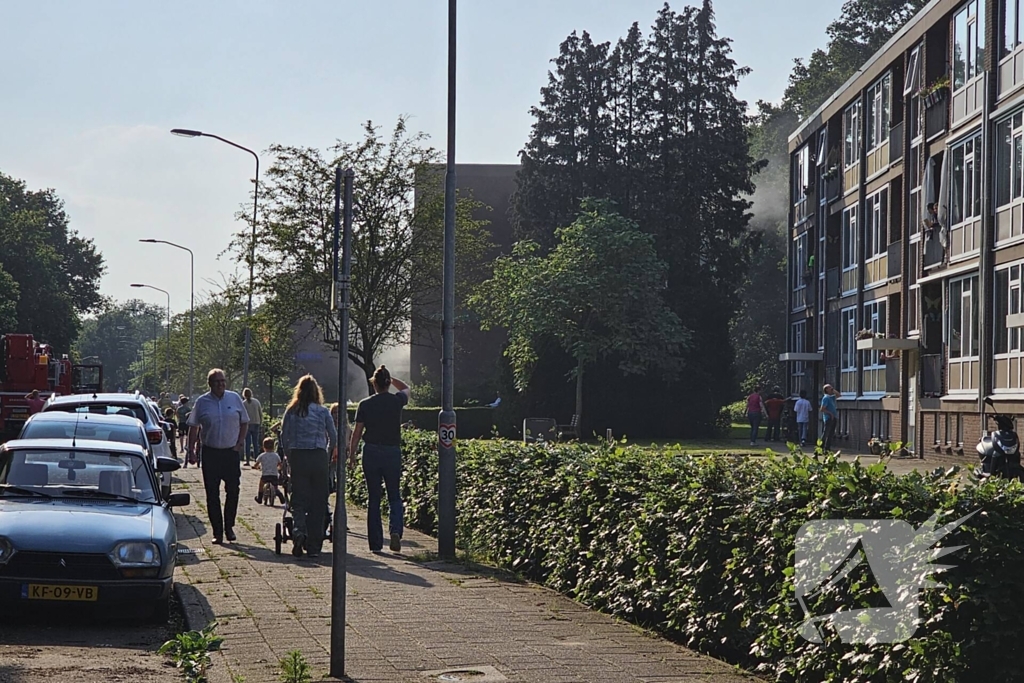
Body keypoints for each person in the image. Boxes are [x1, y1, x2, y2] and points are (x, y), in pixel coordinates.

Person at [349, 365, 410, 553]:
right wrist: (392, 380)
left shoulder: (365, 404)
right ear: (387, 383)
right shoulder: (397, 401)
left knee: (374, 497)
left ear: (374, 384)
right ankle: (395, 531)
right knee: (394, 495)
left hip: (372, 451)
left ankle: (376, 544)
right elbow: (407, 388)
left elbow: (357, 433)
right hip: (392, 451)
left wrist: (351, 455)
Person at [187, 369, 249, 545]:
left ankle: (229, 527)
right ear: (210, 384)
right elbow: (193, 426)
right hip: (211, 452)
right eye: (217, 382)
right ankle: (218, 531)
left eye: (223, 381)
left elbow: (244, 421)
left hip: (230, 452)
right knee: (212, 494)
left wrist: (239, 443)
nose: (221, 384)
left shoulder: (234, 398)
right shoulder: (202, 402)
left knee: (233, 491)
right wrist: (191, 450)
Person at [280, 375, 337, 559]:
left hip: (298, 456)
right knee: (318, 502)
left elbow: (284, 437)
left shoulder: (291, 411)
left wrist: (289, 457)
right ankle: (313, 546)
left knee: (298, 499)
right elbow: (333, 437)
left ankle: (298, 531)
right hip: (318, 456)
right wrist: (326, 456)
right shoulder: (323, 412)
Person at [253, 437, 284, 505]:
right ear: (273, 447)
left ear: (263, 447)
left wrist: (255, 467)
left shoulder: (262, 455)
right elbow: (280, 464)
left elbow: (256, 464)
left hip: (265, 475)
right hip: (274, 475)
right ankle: (281, 497)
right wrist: (279, 468)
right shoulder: (276, 455)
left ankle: (259, 498)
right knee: (275, 487)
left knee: (261, 485)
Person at [241, 388, 263, 465]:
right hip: (256, 423)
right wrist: (260, 422)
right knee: (255, 442)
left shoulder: (243, 404)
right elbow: (260, 413)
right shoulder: (256, 402)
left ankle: (247, 460)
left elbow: (242, 415)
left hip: (247, 424)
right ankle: (256, 460)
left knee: (247, 443)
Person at [820, 384, 841, 451]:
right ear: (826, 389)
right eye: (829, 387)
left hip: (834, 417)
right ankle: (820, 447)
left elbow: (839, 395)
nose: (831, 388)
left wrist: (833, 390)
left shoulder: (831, 397)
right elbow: (822, 409)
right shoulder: (825, 398)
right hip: (828, 418)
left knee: (831, 434)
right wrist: (830, 414)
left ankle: (827, 448)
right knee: (826, 433)